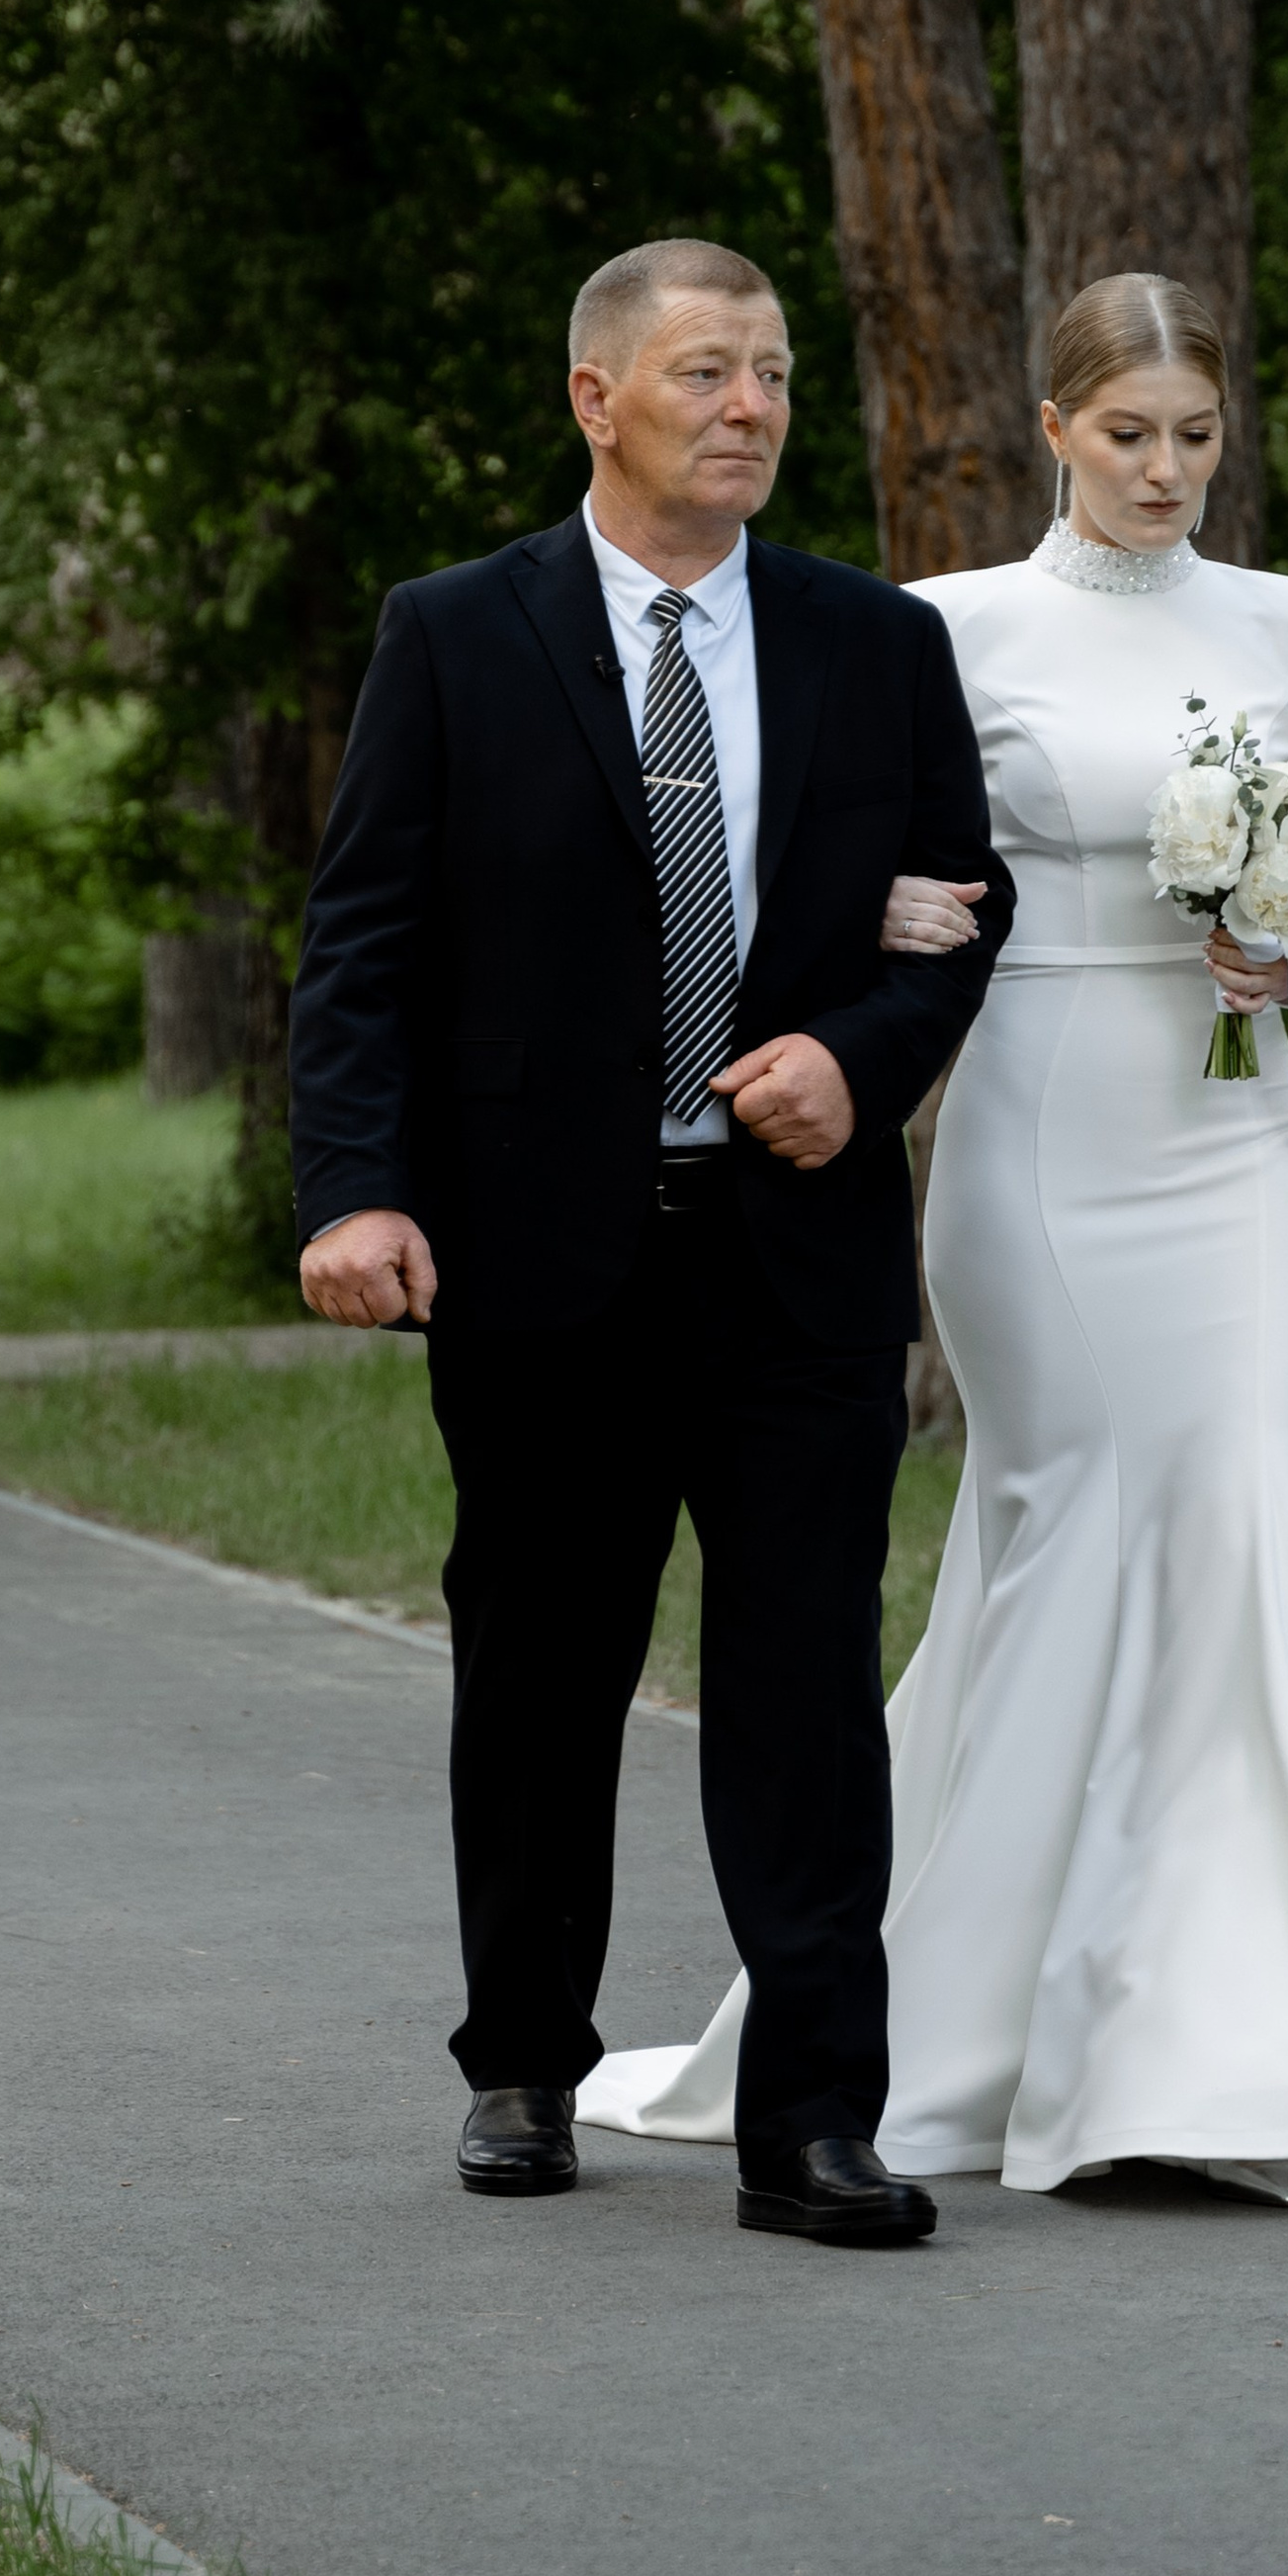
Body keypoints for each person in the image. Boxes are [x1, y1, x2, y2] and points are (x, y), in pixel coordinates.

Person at [580, 272, 1288, 2201]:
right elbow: (873, 854)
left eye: (1196, 437)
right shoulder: (942, 631)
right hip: (1040, 1134)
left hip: (1239, 1130)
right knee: (1063, 1523)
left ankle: (1228, 2047)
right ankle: (968, 2021)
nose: (1165, 472)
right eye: (1128, 436)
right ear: (1050, 428)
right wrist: (902, 946)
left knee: (1238, 1524)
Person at [290, 238, 1012, 2245]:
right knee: (541, 1669)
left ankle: (809, 2120)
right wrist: (353, 1187)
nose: (752, 406)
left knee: (800, 1678)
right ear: (595, 398)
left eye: (774, 373)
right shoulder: (455, 634)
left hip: (791, 1249)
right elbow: (360, 944)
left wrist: (857, 1061)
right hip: (537, 1254)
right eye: (708, 372)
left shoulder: (876, 646)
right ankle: (523, 2061)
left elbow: (966, 905)